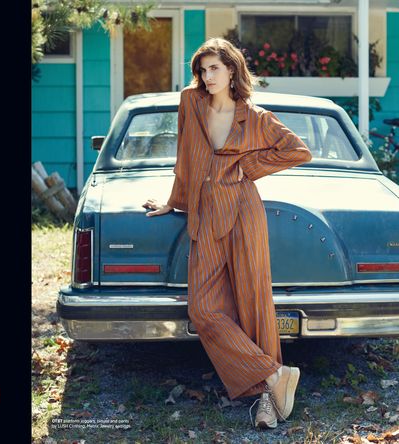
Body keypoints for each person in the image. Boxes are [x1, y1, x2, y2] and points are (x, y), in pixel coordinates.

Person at [142, 37, 312, 430]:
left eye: (214, 68)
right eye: (202, 70)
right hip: (204, 212)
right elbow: (184, 156)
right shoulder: (191, 101)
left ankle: (268, 401)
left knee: (253, 302)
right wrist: (175, 200)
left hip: (242, 209)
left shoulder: (254, 116)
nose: (207, 76)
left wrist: (246, 166)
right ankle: (274, 374)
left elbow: (297, 150)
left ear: (232, 69)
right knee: (203, 309)